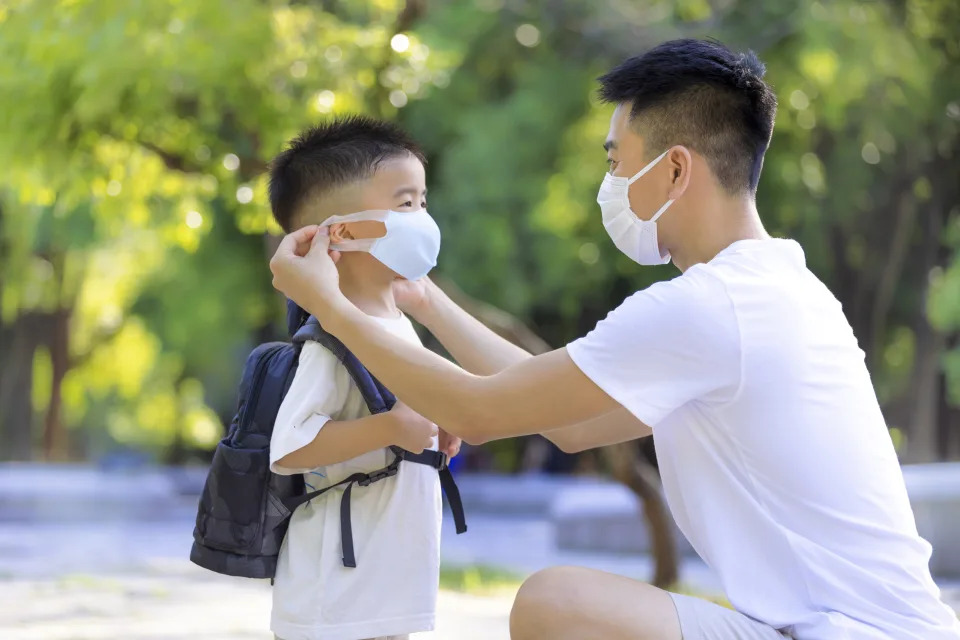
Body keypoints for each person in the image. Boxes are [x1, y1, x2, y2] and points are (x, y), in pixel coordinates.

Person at [268, 40, 960, 640]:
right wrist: (428, 302)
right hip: (853, 627)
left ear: (676, 170)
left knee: (558, 607)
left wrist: (329, 306)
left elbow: (479, 413)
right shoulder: (773, 289)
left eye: (615, 160)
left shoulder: (707, 307)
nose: (611, 184)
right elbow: (565, 423)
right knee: (567, 602)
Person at [266, 116, 461, 640]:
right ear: (344, 232)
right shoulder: (330, 341)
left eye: (423, 202)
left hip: (386, 588)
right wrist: (393, 429)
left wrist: (434, 422)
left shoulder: (394, 324)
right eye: (405, 205)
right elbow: (289, 448)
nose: (422, 217)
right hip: (336, 599)